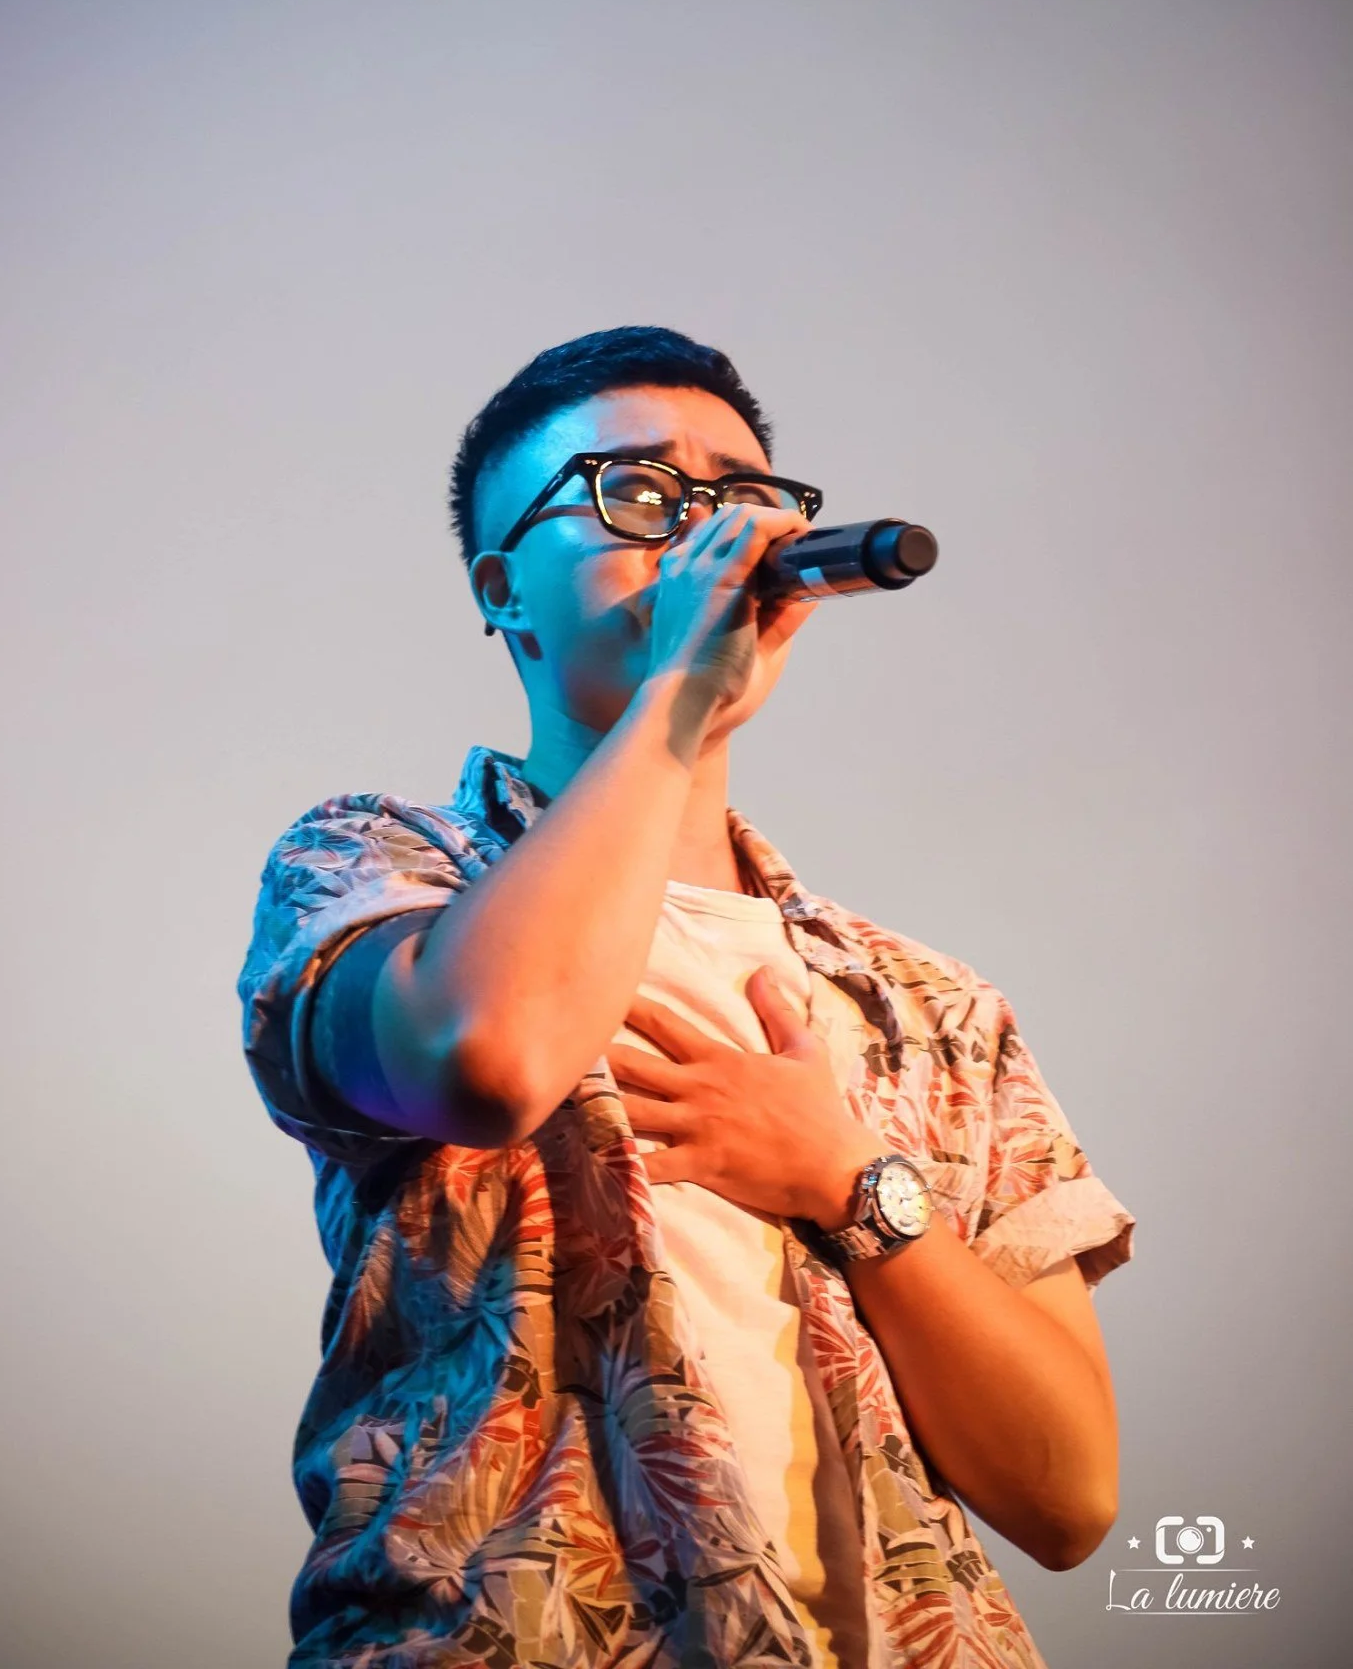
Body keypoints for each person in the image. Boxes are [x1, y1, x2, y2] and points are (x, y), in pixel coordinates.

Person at [238, 323, 1136, 1668]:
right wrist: (674, 702)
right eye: (641, 497)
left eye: (742, 501)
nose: (711, 536)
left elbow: (1067, 1495)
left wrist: (851, 1180)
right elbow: (488, 1056)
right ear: (505, 589)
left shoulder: (926, 1004)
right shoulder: (379, 869)